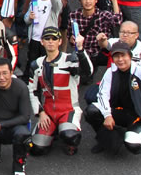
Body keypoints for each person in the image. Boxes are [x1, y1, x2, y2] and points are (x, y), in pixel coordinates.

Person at [27, 26, 93, 156]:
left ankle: (67, 133)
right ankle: (54, 130)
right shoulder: (36, 64)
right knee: (36, 148)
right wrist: (40, 113)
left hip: (68, 110)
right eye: (47, 39)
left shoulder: (70, 59)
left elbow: (88, 72)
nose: (50, 41)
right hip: (48, 112)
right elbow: (32, 91)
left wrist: (80, 50)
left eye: (54, 39)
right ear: (42, 42)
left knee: (70, 136)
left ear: (60, 41)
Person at [84, 41, 141, 155]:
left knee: (134, 146)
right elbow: (103, 95)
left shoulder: (139, 70)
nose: (120, 59)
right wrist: (107, 115)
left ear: (130, 56)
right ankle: (106, 139)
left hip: (138, 115)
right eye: (116, 56)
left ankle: (133, 132)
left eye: (123, 55)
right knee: (91, 111)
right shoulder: (110, 72)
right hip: (119, 111)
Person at [67, 0, 122, 72]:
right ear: (80, 1)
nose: (87, 1)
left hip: (99, 53)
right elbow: (70, 36)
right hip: (82, 52)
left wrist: (114, 0)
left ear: (96, 0)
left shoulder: (103, 15)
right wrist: (71, 39)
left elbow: (117, 21)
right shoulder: (73, 15)